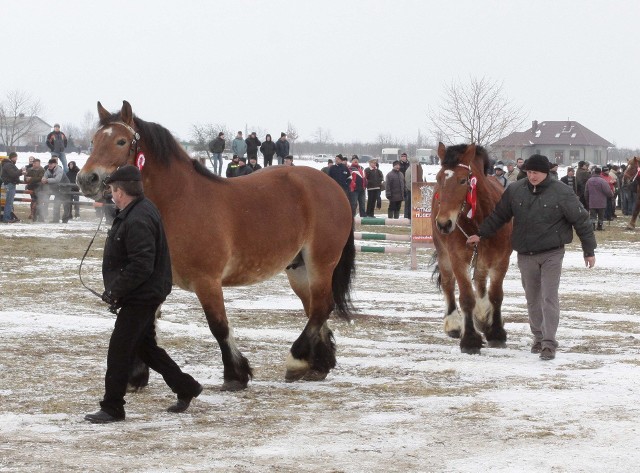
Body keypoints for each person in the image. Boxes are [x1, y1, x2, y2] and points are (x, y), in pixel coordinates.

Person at [84, 165, 202, 424]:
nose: (112, 196)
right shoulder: (137, 210)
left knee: (119, 350)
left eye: (113, 191)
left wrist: (116, 290)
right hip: (142, 292)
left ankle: (113, 407)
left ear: (121, 191)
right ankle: (186, 387)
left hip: (142, 295)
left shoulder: (138, 218)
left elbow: (141, 264)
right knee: (145, 347)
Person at [466, 154, 596, 361]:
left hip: (552, 252)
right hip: (526, 254)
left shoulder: (562, 192)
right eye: (529, 172)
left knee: (549, 296)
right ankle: (538, 337)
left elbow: (581, 220)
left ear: (546, 173)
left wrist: (589, 250)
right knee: (532, 298)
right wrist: (481, 233)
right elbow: (499, 216)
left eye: (536, 172)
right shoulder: (516, 190)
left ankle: (549, 343)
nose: (532, 176)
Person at [41, 158, 70, 223]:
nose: (50, 165)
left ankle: (65, 219)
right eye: (49, 164)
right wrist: (43, 179)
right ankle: (56, 219)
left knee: (66, 204)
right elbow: (45, 175)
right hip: (58, 189)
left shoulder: (59, 170)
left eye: (51, 164)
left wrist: (47, 180)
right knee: (56, 203)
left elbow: (57, 180)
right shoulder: (48, 170)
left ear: (55, 164)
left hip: (65, 188)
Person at [584, 167, 613, 231]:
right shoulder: (603, 181)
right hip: (601, 201)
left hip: (592, 201)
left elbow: (586, 192)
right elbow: (607, 191)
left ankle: (592, 226)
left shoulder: (589, 181)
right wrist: (611, 195)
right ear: (600, 172)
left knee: (592, 216)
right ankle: (599, 226)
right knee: (601, 216)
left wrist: (587, 200)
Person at [1, 152, 21, 223]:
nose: (16, 159)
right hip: (10, 184)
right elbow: (13, 174)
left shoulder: (7, 164)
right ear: (13, 157)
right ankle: (7, 218)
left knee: (9, 202)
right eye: (16, 157)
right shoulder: (8, 165)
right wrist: (21, 171)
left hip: (9, 184)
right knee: (9, 202)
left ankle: (8, 217)